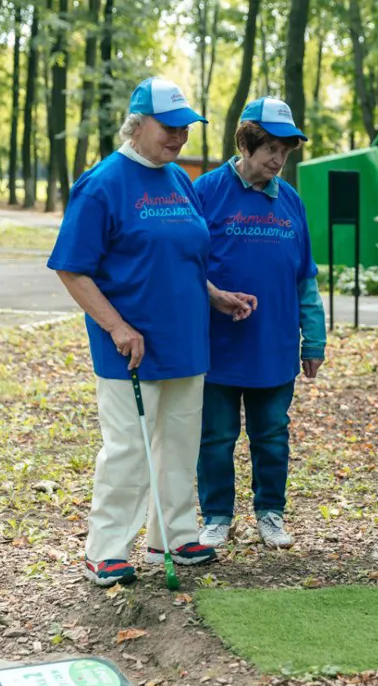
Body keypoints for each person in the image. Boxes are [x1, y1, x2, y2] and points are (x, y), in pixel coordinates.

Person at [48, 77, 256, 587]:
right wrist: (116, 326)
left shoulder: (179, 180)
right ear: (137, 125)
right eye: (170, 128)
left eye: (186, 128)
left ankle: (173, 534)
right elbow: (73, 269)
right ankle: (107, 549)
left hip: (187, 341)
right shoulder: (102, 183)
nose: (180, 138)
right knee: (129, 447)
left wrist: (214, 294)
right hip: (131, 348)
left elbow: (182, 257)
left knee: (181, 442)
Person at [194, 97, 325, 550]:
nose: (278, 159)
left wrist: (315, 338)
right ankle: (216, 516)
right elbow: (185, 264)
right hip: (216, 345)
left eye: (285, 151)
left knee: (271, 435)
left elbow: (305, 276)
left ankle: (270, 512)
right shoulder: (206, 191)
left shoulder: (290, 201)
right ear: (247, 144)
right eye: (271, 148)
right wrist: (214, 296)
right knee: (215, 437)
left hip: (275, 345)